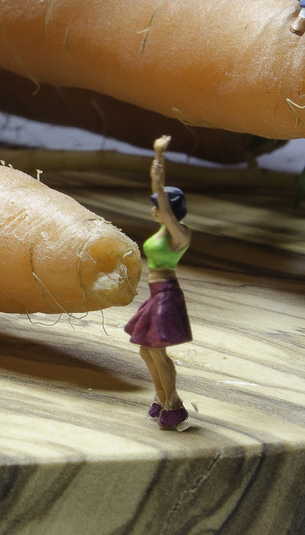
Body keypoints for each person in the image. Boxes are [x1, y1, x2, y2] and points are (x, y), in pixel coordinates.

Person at [124, 136, 193, 431]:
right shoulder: (163, 231)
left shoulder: (179, 234)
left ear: (171, 211)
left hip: (166, 295)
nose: (154, 209)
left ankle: (174, 404)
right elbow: (160, 198)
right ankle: (161, 396)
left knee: (157, 350)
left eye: (159, 207)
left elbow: (162, 198)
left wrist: (159, 156)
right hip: (156, 294)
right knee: (144, 349)